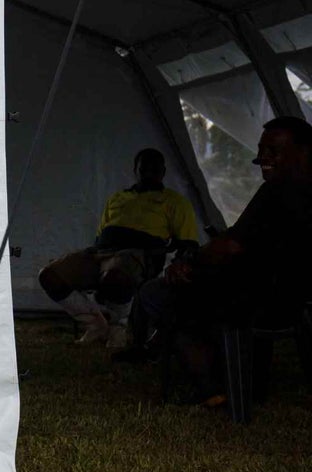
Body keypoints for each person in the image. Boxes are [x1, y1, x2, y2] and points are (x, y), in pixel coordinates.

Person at [126, 116, 312, 399]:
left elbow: (232, 246)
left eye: (273, 150)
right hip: (292, 300)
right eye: (261, 150)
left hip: (257, 299)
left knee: (157, 293)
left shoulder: (278, 190)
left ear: (304, 152)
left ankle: (214, 386)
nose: (261, 158)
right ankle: (237, 377)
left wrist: (189, 261)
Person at [37, 148, 199, 347]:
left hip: (138, 256)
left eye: (155, 169)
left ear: (163, 172)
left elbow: (188, 243)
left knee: (115, 277)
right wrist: (94, 250)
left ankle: (119, 327)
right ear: (135, 170)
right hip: (100, 253)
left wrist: (177, 264)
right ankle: (95, 324)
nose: (149, 173)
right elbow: (102, 232)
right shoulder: (117, 198)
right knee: (49, 276)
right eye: (144, 168)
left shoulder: (175, 202)